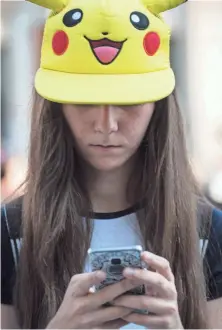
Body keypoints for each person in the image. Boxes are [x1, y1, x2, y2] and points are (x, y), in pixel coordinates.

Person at [1, 0, 222, 328]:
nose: (107, 124)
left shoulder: (208, 233)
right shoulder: (10, 233)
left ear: (158, 107)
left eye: (129, 100)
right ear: (56, 107)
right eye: (85, 100)